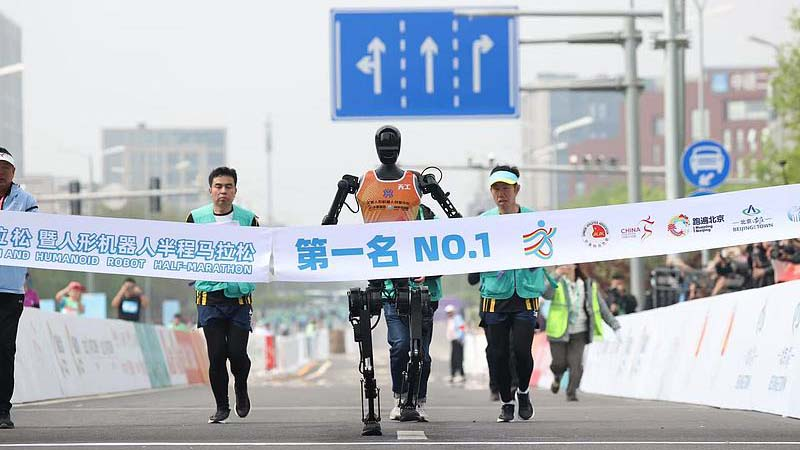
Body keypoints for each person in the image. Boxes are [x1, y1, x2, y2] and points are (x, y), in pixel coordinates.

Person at [478, 165, 555, 423]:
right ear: (491, 192)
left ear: (517, 190)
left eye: (506, 188)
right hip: (494, 295)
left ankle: (522, 392)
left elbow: (550, 247)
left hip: (525, 293)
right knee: (498, 353)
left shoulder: (533, 219)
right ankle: (506, 402)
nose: (502, 194)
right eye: (497, 189)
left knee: (522, 351)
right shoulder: (483, 222)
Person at [187, 166, 259, 424]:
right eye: (218, 186)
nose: (223, 191)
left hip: (239, 299)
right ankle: (221, 406)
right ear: (210, 190)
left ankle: (241, 385)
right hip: (209, 298)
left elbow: (260, 253)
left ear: (235, 191)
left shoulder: (249, 219)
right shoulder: (196, 218)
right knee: (217, 354)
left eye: (228, 187)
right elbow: (184, 250)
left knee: (237, 353)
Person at [385, 203, 441, 422]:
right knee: (400, 346)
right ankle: (400, 397)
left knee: (422, 355)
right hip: (393, 294)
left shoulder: (430, 220)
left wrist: (429, 270)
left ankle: (419, 400)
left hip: (426, 296)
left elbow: (451, 253)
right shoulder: (382, 217)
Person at [0, 147, 38, 429]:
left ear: (13, 173)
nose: (1, 174)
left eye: (5, 169)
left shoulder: (25, 200)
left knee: (4, 349)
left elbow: (37, 236)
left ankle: (3, 410)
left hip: (10, 290)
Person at [545, 263, 620, 402]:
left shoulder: (587, 284)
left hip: (580, 331)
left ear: (575, 265)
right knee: (558, 364)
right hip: (558, 331)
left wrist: (615, 325)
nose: (565, 266)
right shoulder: (557, 282)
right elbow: (546, 294)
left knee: (576, 365)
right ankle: (557, 377)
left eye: (568, 263)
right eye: (562, 264)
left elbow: (601, 307)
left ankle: (571, 392)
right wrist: (556, 275)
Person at [445, 304, 465, 383]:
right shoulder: (450, 320)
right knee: (453, 358)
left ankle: (461, 374)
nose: (449, 314)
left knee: (458, 358)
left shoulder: (457, 318)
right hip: (453, 340)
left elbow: (462, 327)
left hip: (458, 340)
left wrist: (460, 337)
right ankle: (453, 374)